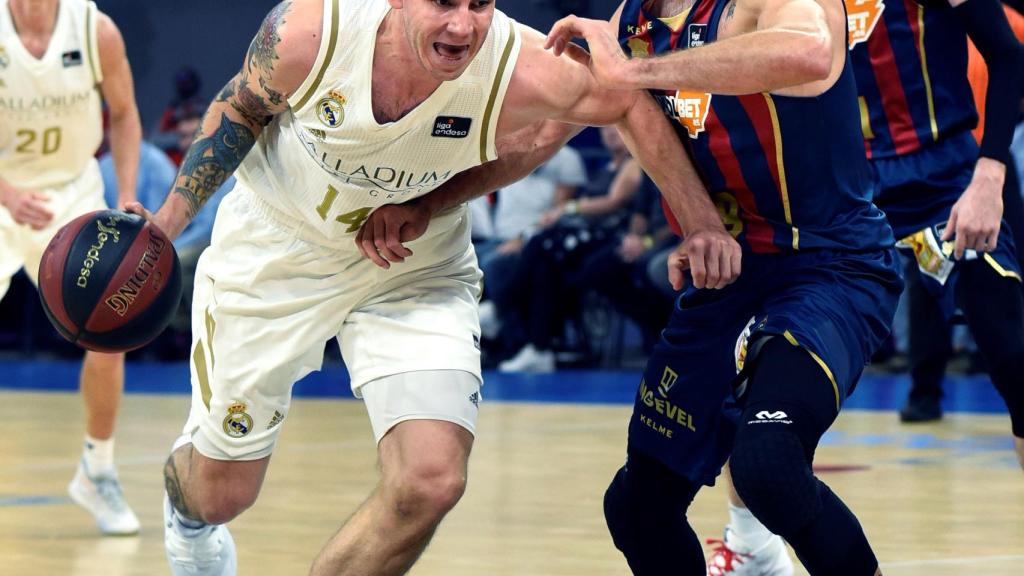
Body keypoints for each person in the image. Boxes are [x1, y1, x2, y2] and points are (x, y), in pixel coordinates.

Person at [132, 1, 739, 575]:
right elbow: (241, 108)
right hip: (279, 253)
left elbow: (626, 104)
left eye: (479, 4)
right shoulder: (311, 32)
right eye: (444, 4)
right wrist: (166, 224)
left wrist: (703, 225)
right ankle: (187, 516)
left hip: (413, 266)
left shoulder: (517, 61)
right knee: (219, 496)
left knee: (431, 480)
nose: (463, 25)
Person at [543, 0, 904, 574]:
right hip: (729, 278)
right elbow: (595, 114)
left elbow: (808, 53)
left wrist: (634, 70)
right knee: (638, 507)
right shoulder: (629, 21)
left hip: (831, 266)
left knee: (770, 467)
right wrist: (700, 222)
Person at [706, 0, 1024, 573]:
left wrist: (991, 172)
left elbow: (1007, 54)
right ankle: (749, 545)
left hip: (948, 177)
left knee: (1015, 357)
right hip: (839, 193)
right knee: (757, 356)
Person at [0, 0, 142, 535]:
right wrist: (8, 195)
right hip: (2, 188)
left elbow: (125, 113)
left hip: (72, 194)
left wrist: (126, 193)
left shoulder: (95, 29)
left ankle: (97, 469)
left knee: (109, 330)